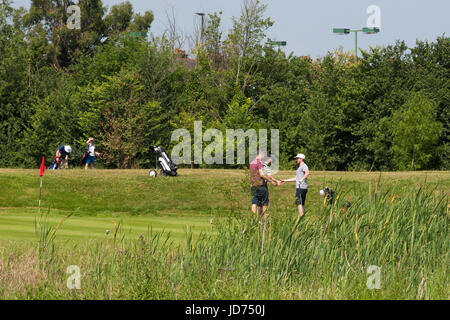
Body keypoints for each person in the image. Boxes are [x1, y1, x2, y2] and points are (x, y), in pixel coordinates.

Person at [249, 151, 280, 220]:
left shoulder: (252, 162)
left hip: (253, 185)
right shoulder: (259, 163)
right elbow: (262, 175)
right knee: (264, 203)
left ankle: (253, 218)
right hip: (261, 185)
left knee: (255, 201)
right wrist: (271, 181)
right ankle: (264, 219)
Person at [280, 153, 310, 217]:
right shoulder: (300, 167)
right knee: (302, 203)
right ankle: (302, 217)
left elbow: (307, 173)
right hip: (301, 187)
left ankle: (300, 217)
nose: (296, 159)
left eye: (297, 158)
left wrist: (301, 180)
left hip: (301, 187)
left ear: (301, 159)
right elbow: (296, 178)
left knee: (299, 203)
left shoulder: (304, 165)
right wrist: (285, 180)